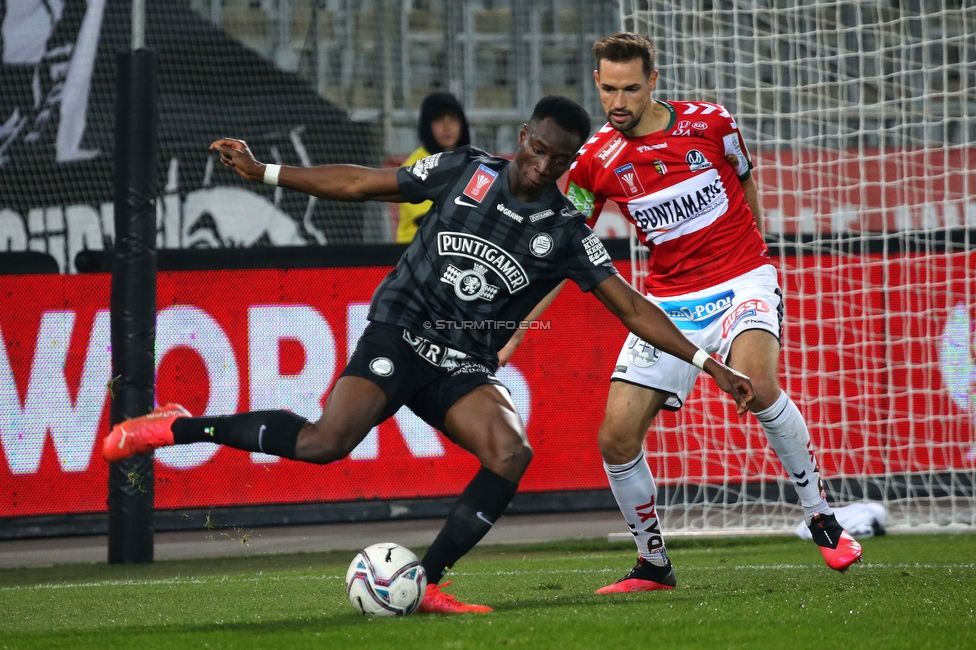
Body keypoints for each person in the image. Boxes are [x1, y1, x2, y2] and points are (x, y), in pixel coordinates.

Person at [101, 96, 755, 613]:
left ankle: (428, 581)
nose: (541, 164)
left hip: (461, 363)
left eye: (558, 160)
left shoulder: (566, 234)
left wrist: (710, 364)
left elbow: (635, 309)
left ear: (567, 164)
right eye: (535, 148)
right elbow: (362, 184)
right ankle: (175, 425)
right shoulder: (465, 169)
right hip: (400, 330)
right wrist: (265, 171)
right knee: (324, 443)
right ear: (522, 137)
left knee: (510, 452)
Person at [559, 32, 863, 592]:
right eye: (608, 90)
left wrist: (756, 258)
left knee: (759, 383)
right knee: (615, 438)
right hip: (669, 301)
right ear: (597, 85)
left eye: (630, 89)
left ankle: (821, 519)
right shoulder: (593, 163)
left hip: (742, 277)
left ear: (653, 82)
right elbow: (565, 238)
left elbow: (744, 177)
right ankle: (653, 564)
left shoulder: (712, 123)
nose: (618, 102)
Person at [396, 92, 471, 243]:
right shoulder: (414, 166)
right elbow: (430, 221)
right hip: (415, 253)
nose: (447, 126)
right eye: (438, 119)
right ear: (426, 124)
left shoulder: (471, 162)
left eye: (453, 119)